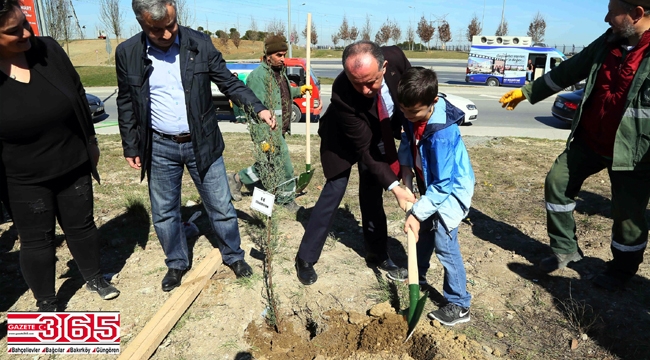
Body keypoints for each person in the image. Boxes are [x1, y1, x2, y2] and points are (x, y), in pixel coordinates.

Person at [116, 0, 276, 291]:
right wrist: (131, 145)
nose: (167, 34)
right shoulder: (127, 53)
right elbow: (126, 101)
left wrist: (258, 107)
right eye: (157, 30)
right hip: (160, 146)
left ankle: (233, 255)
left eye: (171, 26)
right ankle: (176, 263)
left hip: (202, 142)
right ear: (141, 24)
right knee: (164, 212)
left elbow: (228, 82)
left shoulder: (199, 44)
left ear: (174, 10)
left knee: (221, 205)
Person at [499, 0, 650, 291]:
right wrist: (527, 92)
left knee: (628, 216)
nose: (606, 18)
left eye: (612, 11)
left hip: (634, 152)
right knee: (557, 182)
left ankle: (621, 271)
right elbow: (569, 70)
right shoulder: (608, 42)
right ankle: (564, 249)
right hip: (589, 141)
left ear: (637, 13)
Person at [0, 0, 119, 311]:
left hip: (72, 161)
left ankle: (94, 276)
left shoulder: (47, 50)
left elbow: (78, 91)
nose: (27, 33)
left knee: (82, 225)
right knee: (36, 240)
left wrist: (91, 141)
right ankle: (47, 300)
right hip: (23, 178)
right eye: (14, 31)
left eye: (24, 24)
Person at [294, 41, 416, 285]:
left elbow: (410, 95)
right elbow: (364, 150)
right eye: (357, 83)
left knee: (371, 193)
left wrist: (407, 155)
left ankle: (377, 253)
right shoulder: (342, 90)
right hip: (343, 139)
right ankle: (305, 257)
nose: (365, 90)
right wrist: (395, 188)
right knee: (334, 190)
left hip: (380, 130)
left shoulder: (396, 58)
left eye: (371, 81)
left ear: (384, 66)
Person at [397, 67, 475, 326]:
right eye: (404, 110)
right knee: (425, 234)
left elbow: (443, 185)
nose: (408, 116)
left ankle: (459, 303)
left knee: (445, 243)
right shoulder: (413, 112)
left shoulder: (442, 133)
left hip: (450, 192)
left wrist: (417, 213)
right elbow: (407, 141)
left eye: (414, 112)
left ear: (432, 103)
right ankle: (417, 274)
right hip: (429, 185)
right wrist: (406, 176)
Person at [228, 35, 312, 210]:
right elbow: (256, 108)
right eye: (279, 55)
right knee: (284, 164)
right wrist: (263, 138)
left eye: (284, 55)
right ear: (268, 55)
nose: (283, 59)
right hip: (267, 130)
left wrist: (299, 91)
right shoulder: (259, 77)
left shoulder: (279, 73)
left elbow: (283, 94)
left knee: (268, 165)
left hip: (278, 128)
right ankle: (286, 199)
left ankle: (236, 179)